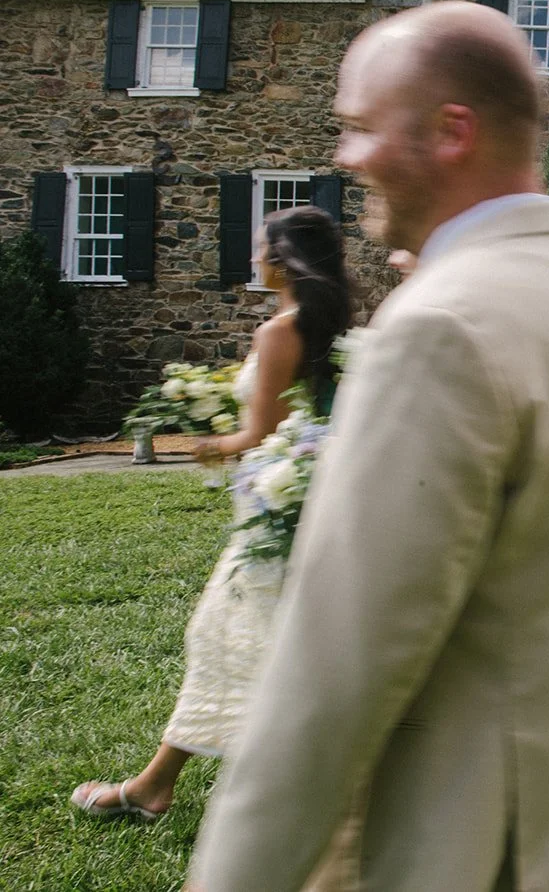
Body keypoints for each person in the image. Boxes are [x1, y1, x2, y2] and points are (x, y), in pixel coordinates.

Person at [186, 1, 549, 892]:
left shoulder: (442, 326)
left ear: (452, 130)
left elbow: (334, 671)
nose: (346, 156)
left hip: (463, 843)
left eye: (362, 126)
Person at [69, 205, 352, 822]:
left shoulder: (280, 331)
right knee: (263, 638)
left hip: (273, 511)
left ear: (281, 261)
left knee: (229, 636)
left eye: (260, 247)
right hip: (299, 501)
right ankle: (157, 783)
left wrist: (209, 443)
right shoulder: (331, 326)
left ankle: (155, 787)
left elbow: (262, 431)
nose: (252, 258)